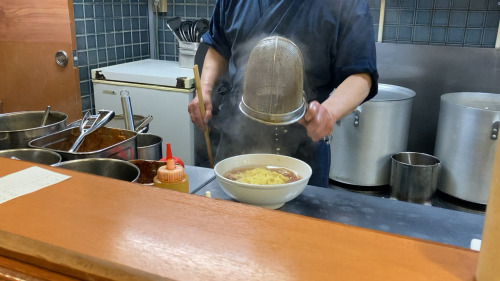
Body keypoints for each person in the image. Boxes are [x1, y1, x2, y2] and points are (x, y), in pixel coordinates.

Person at [188, 0, 378, 188]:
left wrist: (329, 111)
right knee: (230, 216)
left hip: (304, 139)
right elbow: (218, 48)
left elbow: (361, 75)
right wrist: (204, 90)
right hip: (237, 134)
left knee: (302, 218)